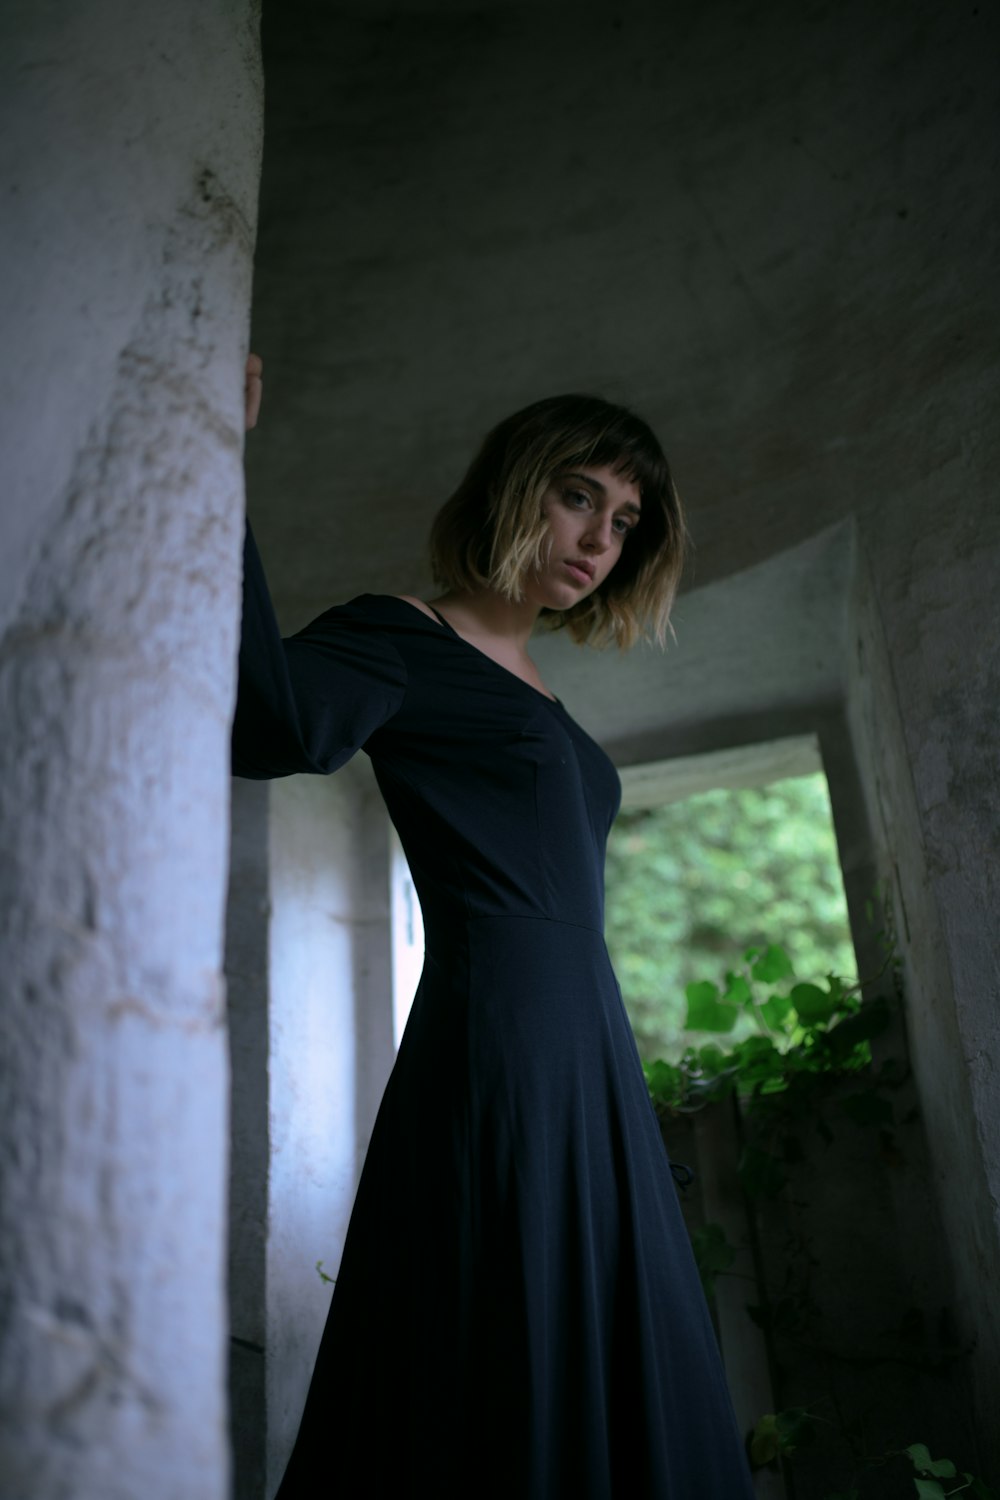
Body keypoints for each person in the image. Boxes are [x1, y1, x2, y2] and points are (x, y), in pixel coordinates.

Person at [235, 355, 754, 1498]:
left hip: (591, 1046)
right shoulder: (398, 635)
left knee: (631, 1337)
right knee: (499, 1323)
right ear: (514, 486)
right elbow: (270, 722)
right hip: (501, 1036)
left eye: (623, 521)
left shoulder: (544, 692)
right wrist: (211, 459)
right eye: (578, 495)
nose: (597, 538)